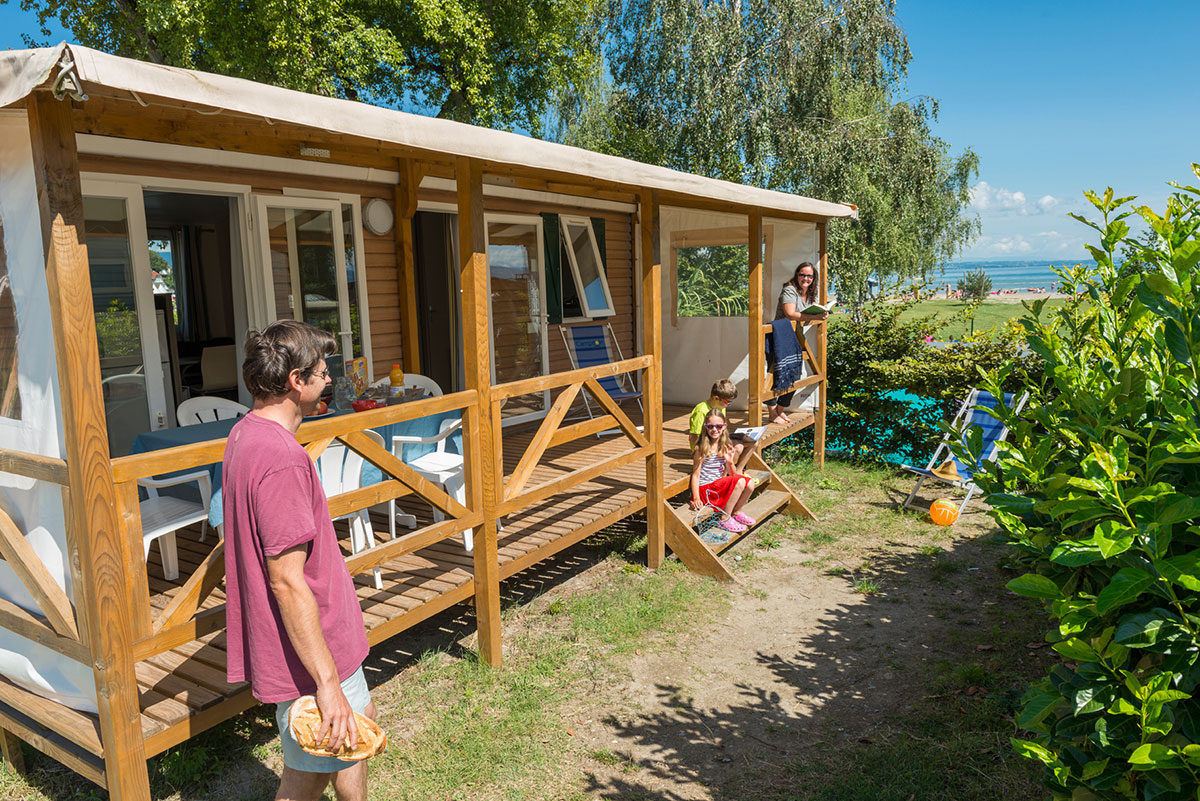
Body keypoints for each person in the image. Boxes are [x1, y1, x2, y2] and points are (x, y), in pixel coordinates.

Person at [222, 320, 374, 801]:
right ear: (296, 381)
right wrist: (326, 682)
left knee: (354, 733)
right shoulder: (282, 459)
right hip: (313, 649)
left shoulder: (245, 436)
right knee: (306, 773)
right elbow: (287, 581)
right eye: (322, 371)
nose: (329, 378)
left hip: (317, 641)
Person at [768, 262, 827, 425]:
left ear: (813, 278)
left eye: (809, 275)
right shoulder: (789, 289)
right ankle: (772, 413)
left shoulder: (809, 293)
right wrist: (814, 317)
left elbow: (802, 314)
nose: (806, 278)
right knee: (775, 374)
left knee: (794, 374)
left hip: (794, 338)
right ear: (797, 274)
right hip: (780, 336)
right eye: (802, 274)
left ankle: (779, 410)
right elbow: (790, 313)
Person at [688, 409, 757, 535]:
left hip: (718, 485)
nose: (714, 429)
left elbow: (732, 474)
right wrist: (696, 497)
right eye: (710, 426)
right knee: (740, 481)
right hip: (707, 489)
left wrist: (730, 462)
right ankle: (724, 518)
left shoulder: (724, 445)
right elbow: (696, 475)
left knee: (750, 483)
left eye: (718, 426)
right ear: (705, 427)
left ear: (724, 426)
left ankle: (736, 512)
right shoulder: (702, 448)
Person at [688, 379, 755, 473]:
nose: (728, 405)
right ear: (716, 398)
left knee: (753, 442)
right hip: (706, 447)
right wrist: (708, 449)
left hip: (718, 441)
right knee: (738, 447)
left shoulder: (720, 407)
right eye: (727, 402)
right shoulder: (701, 410)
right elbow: (693, 437)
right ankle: (723, 474)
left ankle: (738, 472)